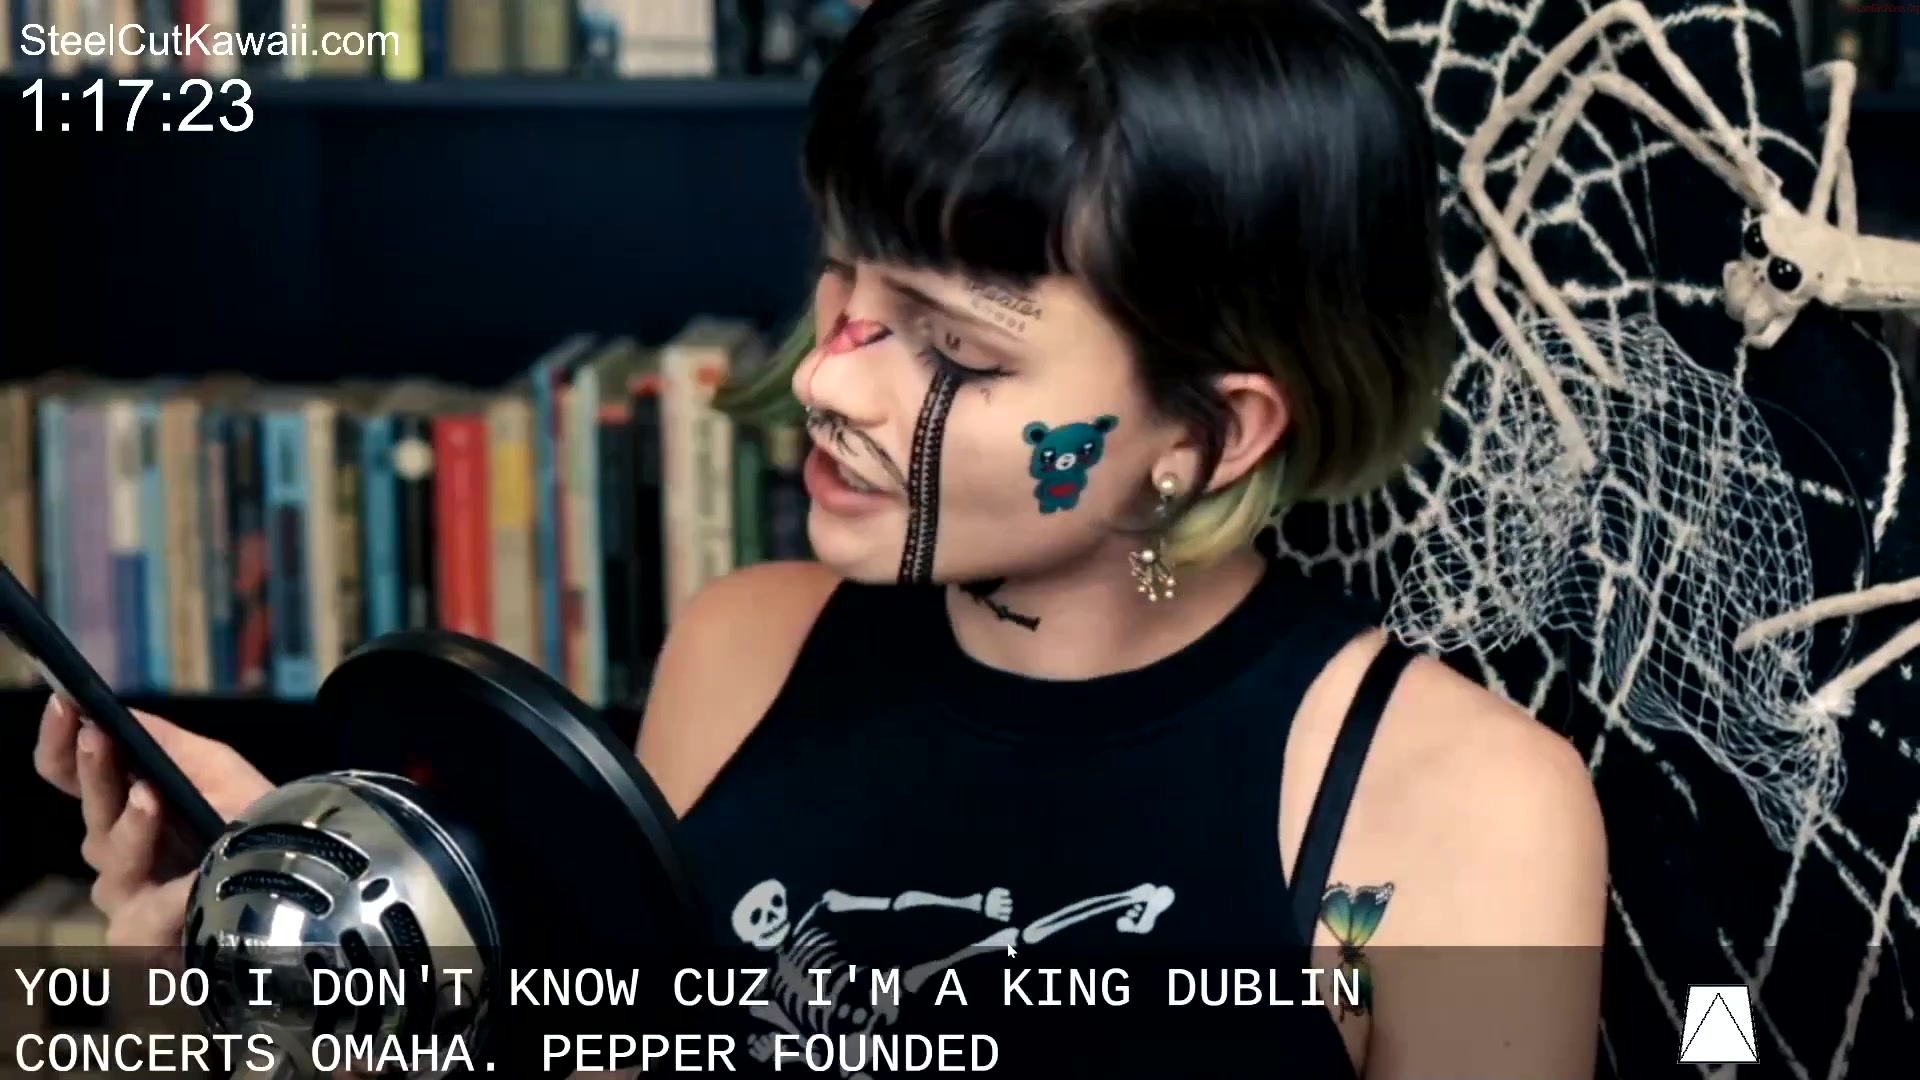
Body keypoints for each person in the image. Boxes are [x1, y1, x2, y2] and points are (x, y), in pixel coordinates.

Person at [36, 0, 1608, 1075]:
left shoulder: (1464, 813)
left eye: (955, 344)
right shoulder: (746, 645)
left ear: (1210, 432)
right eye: (844, 274)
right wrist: (328, 961)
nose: (827, 376)